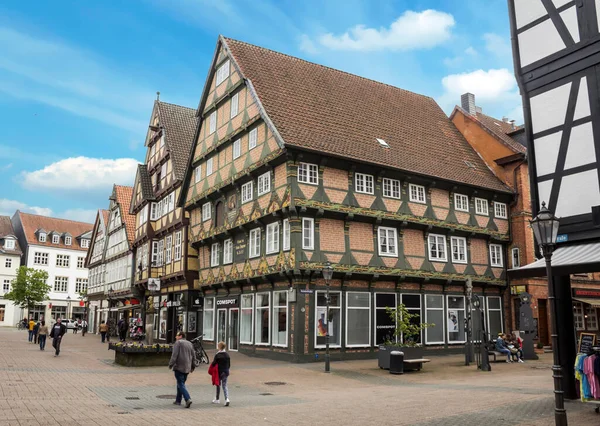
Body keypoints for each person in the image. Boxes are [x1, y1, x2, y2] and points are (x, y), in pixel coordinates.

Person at [168, 331, 195, 408]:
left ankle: (187, 399)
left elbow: (174, 355)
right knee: (181, 383)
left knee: (180, 384)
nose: (176, 337)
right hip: (187, 367)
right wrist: (193, 366)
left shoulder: (178, 343)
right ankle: (178, 400)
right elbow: (193, 355)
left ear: (180, 336)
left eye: (177, 336)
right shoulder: (190, 343)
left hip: (179, 366)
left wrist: (171, 364)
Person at [211, 341, 231, 406]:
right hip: (226, 371)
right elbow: (229, 365)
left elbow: (214, 363)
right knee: (224, 385)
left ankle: (217, 399)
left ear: (219, 347)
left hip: (219, 372)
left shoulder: (217, 355)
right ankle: (227, 398)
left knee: (218, 385)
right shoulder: (227, 355)